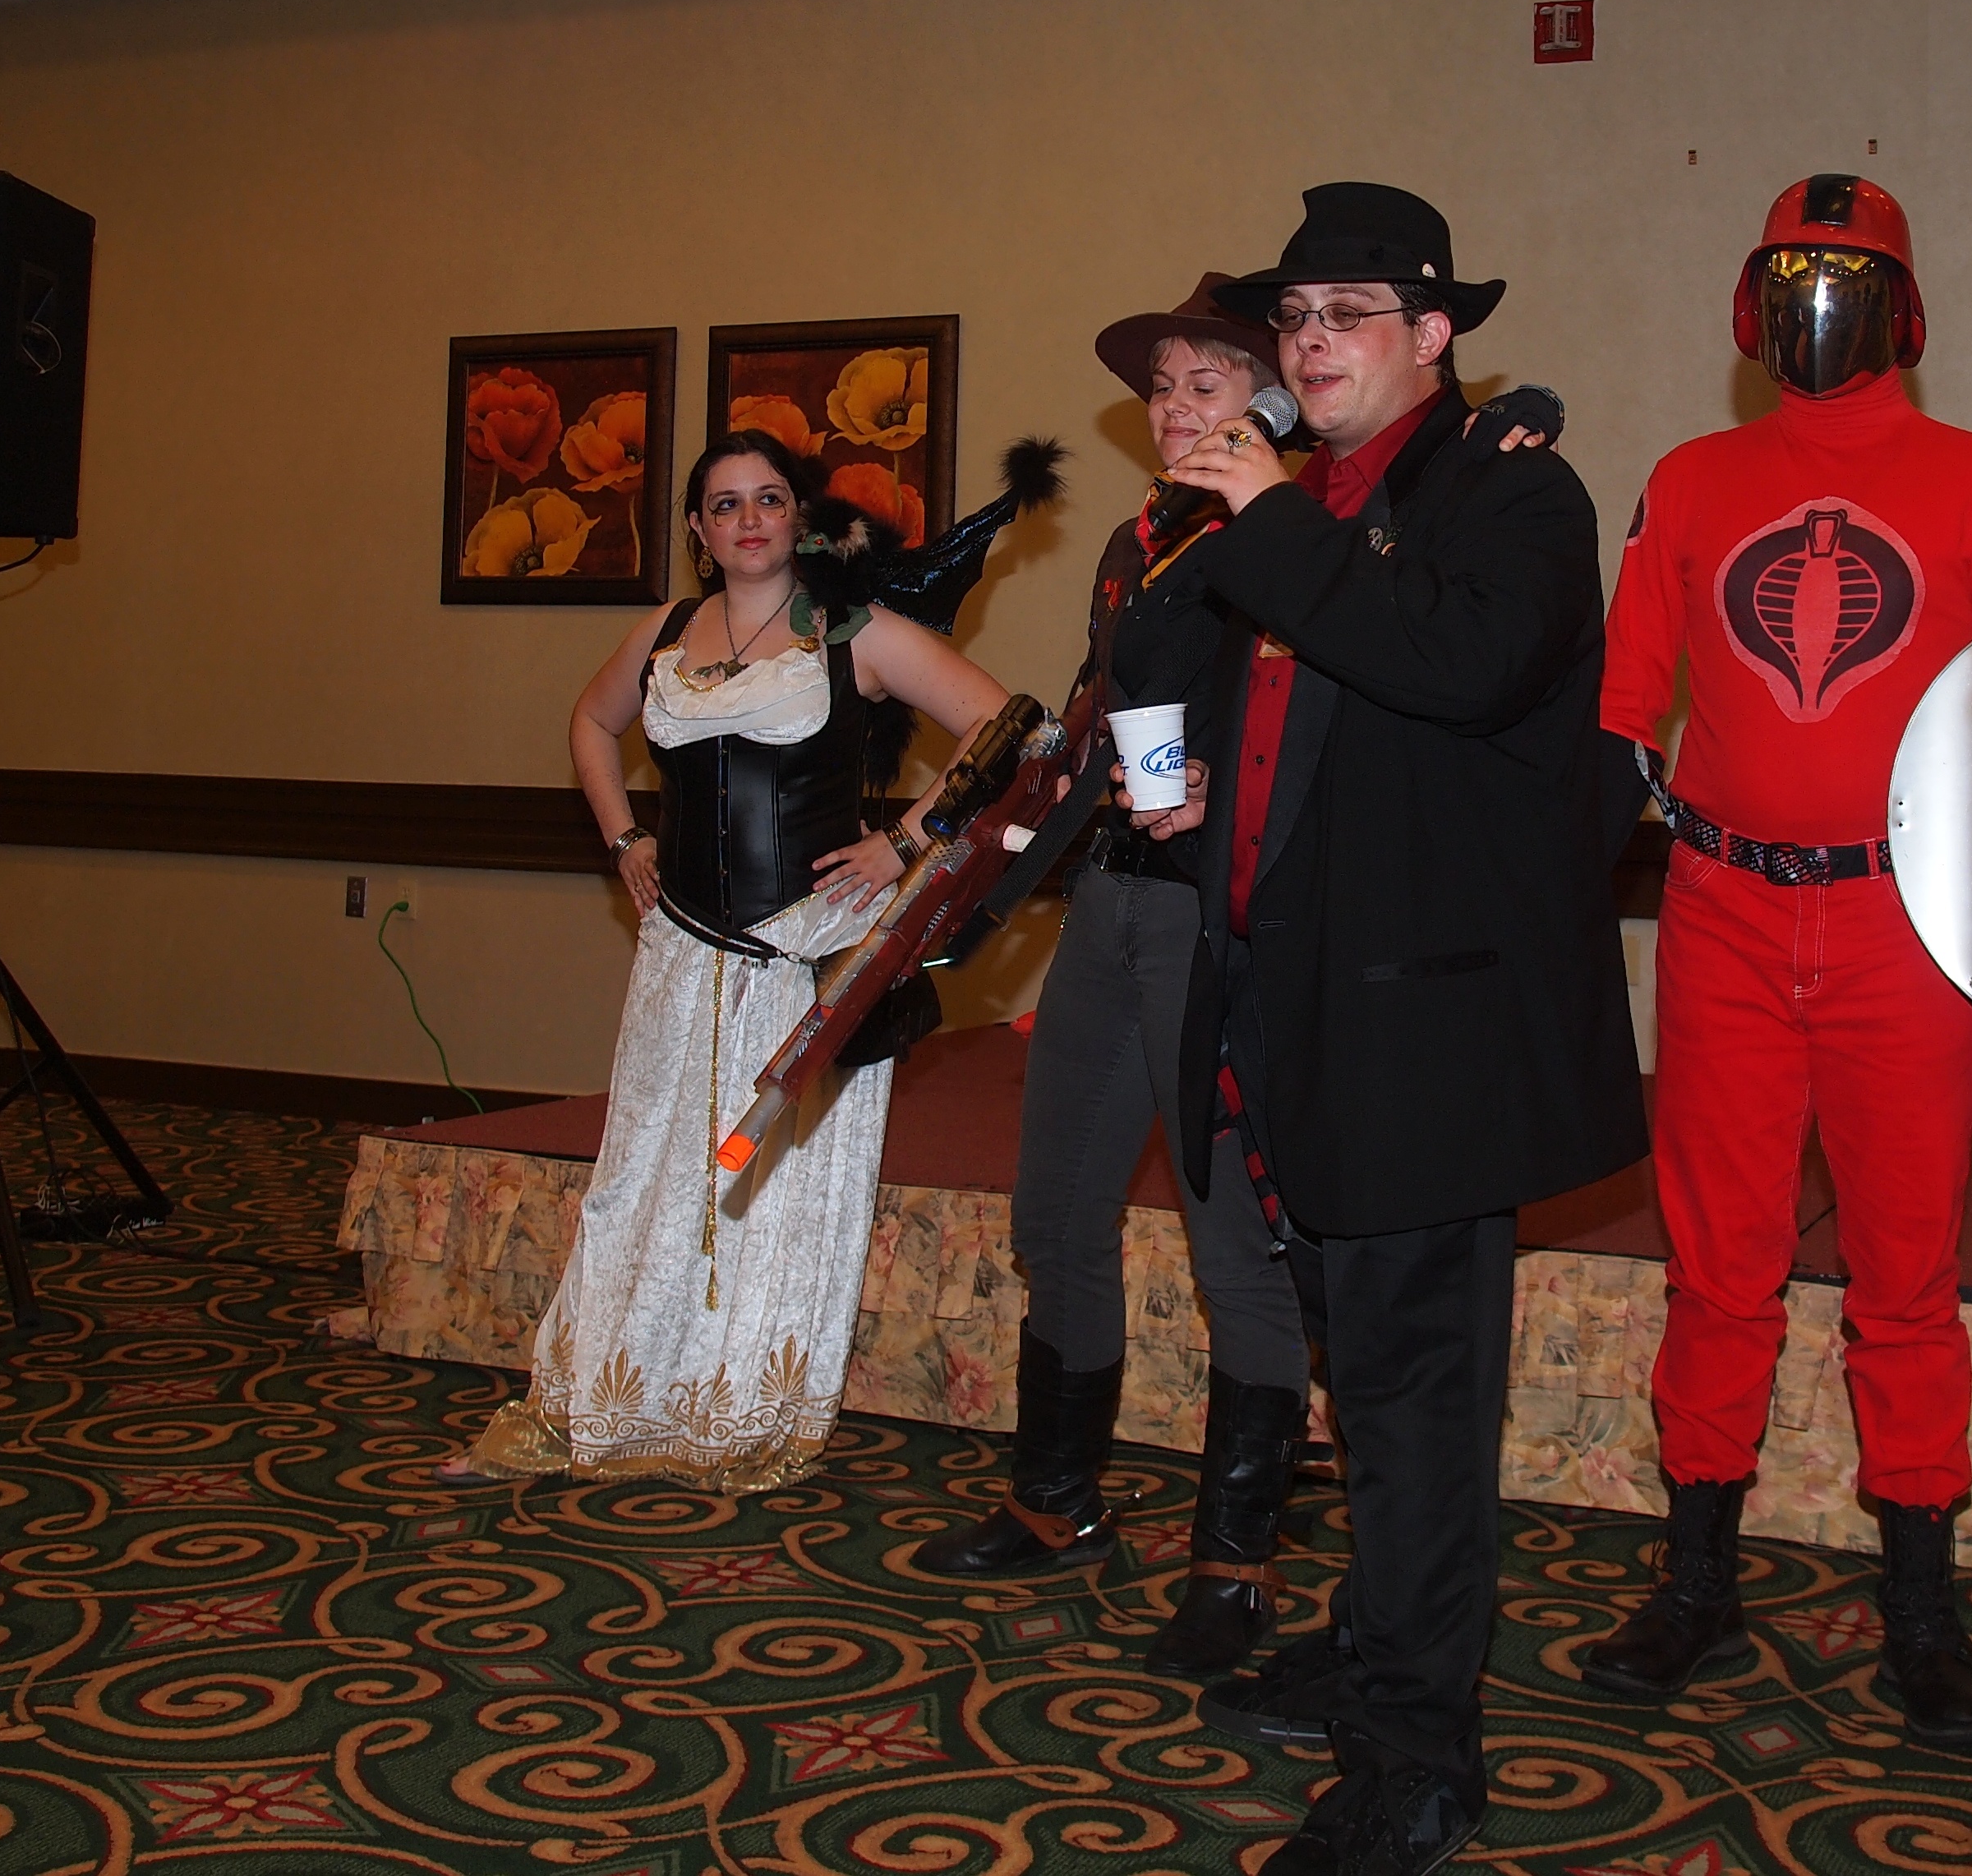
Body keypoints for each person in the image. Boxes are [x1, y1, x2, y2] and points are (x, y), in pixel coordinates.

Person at [1145, 185, 1645, 1876]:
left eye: (1344, 315)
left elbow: (1458, 665)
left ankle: (1419, 1760)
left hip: (1421, 1030)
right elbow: (1272, 719)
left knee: (1415, 1405)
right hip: (1284, 1003)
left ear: (1432, 335)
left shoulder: (1512, 493)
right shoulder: (1293, 507)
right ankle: (1377, 1648)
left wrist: (1271, 515)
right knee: (1359, 1378)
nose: (1305, 345)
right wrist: (1199, 800)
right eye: (1290, 319)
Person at [1583, 173, 1972, 1749]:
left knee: (1906, 1275)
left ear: (1903, 308)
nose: (1819, 312)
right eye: (1792, 282)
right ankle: (1698, 1584)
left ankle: (1921, 1611)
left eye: (1847, 283)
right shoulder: (1692, 476)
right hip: (1723, 909)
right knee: (1716, 1263)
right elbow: (1626, 688)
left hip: (1905, 925)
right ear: (1750, 304)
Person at [444, 429, 1012, 1491]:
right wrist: (624, 837)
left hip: (805, 951)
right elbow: (591, 721)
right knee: (641, 1175)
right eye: (725, 504)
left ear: (799, 517)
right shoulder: (664, 632)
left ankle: (742, 1408)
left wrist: (902, 843)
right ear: (699, 533)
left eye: (769, 499)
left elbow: (1001, 725)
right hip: (679, 949)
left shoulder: (855, 632)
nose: (750, 520)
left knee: (775, 1190)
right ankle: (609, 1394)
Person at [911, 278, 1313, 1678]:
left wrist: (1220, 784)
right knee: (1057, 1209)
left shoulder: (1297, 533)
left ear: (1272, 400)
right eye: (1163, 387)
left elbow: (1321, 722)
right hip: (1113, 901)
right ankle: (1056, 1497)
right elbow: (1105, 714)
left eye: (1210, 382)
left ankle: (1234, 1567)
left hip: (1223, 918)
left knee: (1232, 1246)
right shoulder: (1141, 536)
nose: (1177, 407)